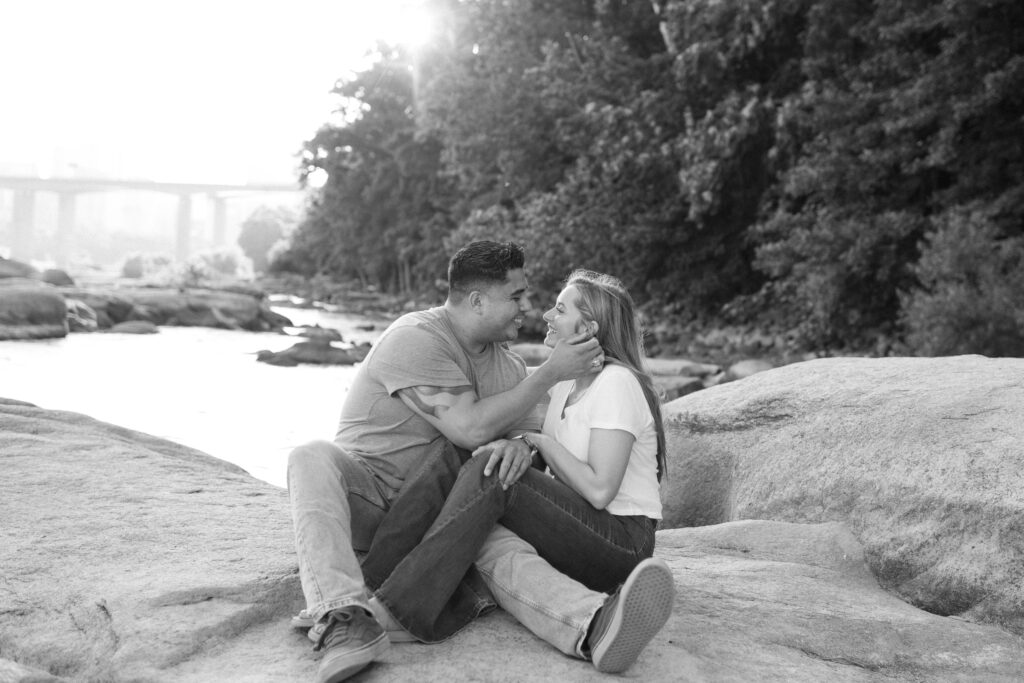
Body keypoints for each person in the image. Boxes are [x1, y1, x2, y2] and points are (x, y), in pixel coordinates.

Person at [288, 242, 672, 683]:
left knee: (495, 526)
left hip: (446, 520)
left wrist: (525, 445)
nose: (529, 308)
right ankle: (343, 613)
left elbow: (532, 447)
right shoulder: (416, 338)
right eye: (517, 297)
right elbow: (471, 431)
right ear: (477, 301)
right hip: (373, 502)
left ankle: (590, 625)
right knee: (310, 456)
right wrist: (547, 383)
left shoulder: (511, 369)